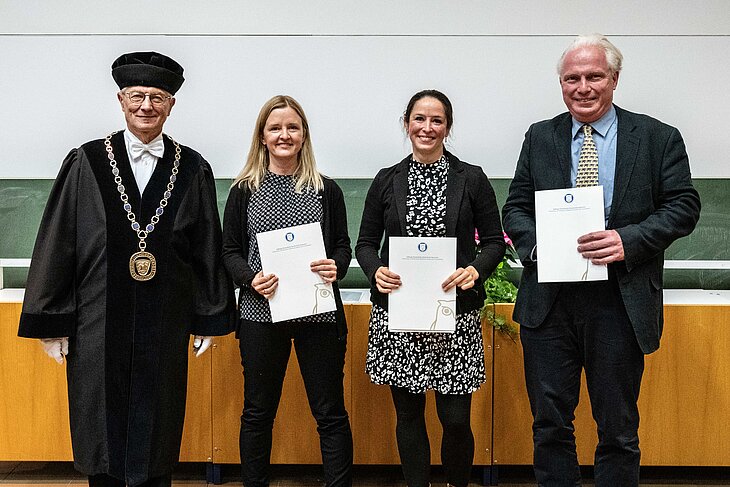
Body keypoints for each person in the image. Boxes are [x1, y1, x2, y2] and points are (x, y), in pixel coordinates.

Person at [17, 51, 234, 487]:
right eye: (137, 96)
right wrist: (52, 321)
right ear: (120, 100)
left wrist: (209, 315)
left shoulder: (192, 168)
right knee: (102, 430)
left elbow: (205, 244)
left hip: (165, 321)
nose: (146, 106)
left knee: (158, 429)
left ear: (172, 104)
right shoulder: (87, 161)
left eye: (157, 97)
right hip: (97, 322)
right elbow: (59, 241)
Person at [502, 34, 701, 486]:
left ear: (614, 79)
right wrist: (537, 247)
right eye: (572, 78)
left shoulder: (657, 137)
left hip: (619, 302)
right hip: (550, 303)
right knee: (550, 426)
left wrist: (627, 240)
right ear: (561, 83)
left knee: (617, 430)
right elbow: (515, 207)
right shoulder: (540, 136)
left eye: (594, 76)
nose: (583, 87)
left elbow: (684, 205)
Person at [355, 90, 505, 487]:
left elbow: (493, 242)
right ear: (407, 124)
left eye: (436, 120)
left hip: (456, 316)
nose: (427, 127)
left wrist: (475, 270)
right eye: (419, 119)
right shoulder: (387, 179)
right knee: (408, 415)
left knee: (455, 419)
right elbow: (365, 244)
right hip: (399, 316)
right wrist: (376, 271)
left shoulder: (471, 178)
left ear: (447, 127)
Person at [221, 95, 353, 487]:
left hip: (319, 315)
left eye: (292, 127)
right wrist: (249, 279)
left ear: (303, 135)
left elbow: (343, 246)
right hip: (261, 316)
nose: (284, 135)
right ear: (262, 136)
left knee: (330, 413)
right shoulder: (243, 190)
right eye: (275, 128)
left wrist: (337, 266)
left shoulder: (327, 190)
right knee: (258, 412)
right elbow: (228, 251)